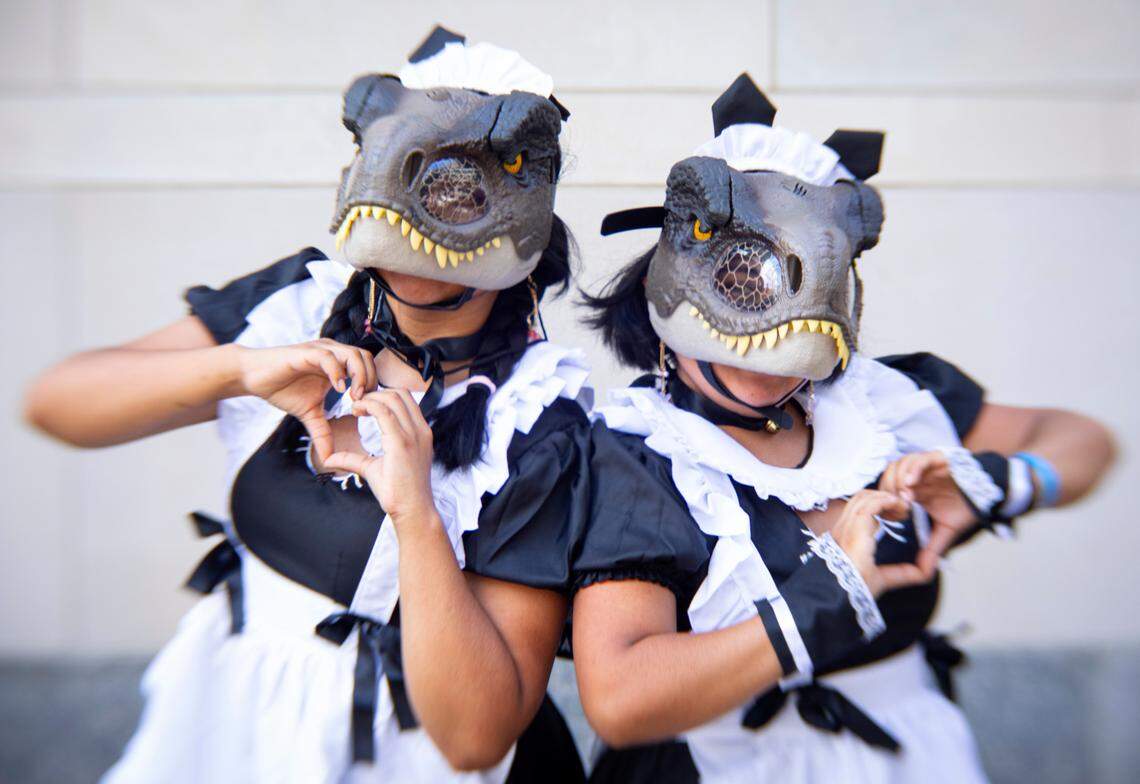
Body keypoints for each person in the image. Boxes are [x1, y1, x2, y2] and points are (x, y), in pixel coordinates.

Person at [24, 27, 589, 784]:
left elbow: (473, 738)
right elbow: (56, 404)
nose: (428, 213)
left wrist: (416, 516)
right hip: (232, 721)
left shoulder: (540, 417)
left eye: (461, 190)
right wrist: (237, 371)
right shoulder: (299, 304)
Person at [573, 73, 1116, 783]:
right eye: (744, 296)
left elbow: (1085, 442)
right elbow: (620, 699)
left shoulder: (884, 406)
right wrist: (827, 599)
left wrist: (1004, 480)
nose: (767, 360)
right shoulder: (635, 456)